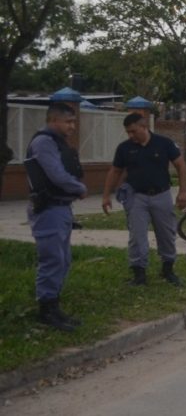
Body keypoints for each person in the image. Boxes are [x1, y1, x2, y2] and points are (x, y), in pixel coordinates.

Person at [101, 112, 186, 286]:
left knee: (166, 234)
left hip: (161, 195)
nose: (131, 135)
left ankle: (168, 269)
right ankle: (139, 273)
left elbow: (180, 165)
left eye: (133, 131)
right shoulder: (124, 148)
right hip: (136, 197)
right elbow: (115, 171)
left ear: (144, 127)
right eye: (128, 132)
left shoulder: (164, 143)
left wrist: (183, 192)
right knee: (137, 235)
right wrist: (105, 196)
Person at [24, 103, 87, 332]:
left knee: (63, 260)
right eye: (68, 122)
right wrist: (78, 187)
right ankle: (46, 310)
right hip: (48, 209)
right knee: (52, 260)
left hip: (60, 207)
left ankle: (54, 306)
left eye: (73, 122)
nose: (72, 126)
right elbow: (56, 174)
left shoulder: (57, 142)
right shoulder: (44, 142)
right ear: (53, 121)